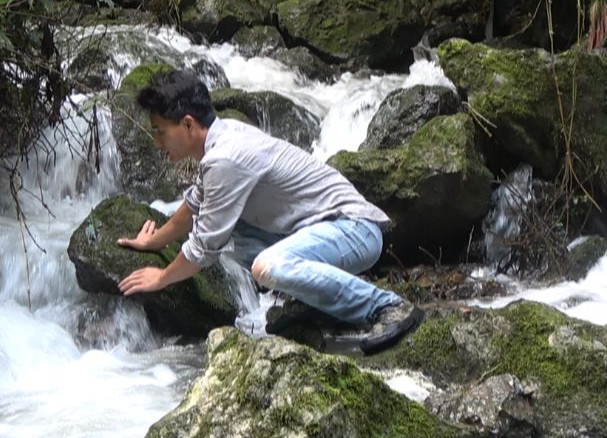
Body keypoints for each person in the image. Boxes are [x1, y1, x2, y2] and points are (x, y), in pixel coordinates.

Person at [116, 69, 424, 354]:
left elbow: (203, 248)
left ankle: (387, 307)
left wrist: (162, 278)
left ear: (187, 124)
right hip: (317, 230)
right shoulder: (223, 137)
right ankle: (315, 305)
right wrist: (154, 242)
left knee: (268, 266)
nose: (156, 142)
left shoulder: (226, 157)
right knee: (234, 232)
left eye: (159, 132)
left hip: (354, 229)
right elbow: (197, 204)